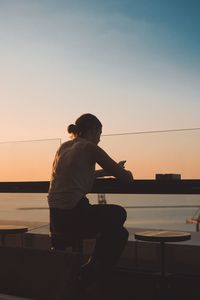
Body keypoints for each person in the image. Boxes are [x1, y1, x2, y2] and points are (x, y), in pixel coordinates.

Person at [48, 113, 134, 287]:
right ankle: (92, 269)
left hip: (56, 219)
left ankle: (92, 268)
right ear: (93, 130)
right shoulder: (90, 147)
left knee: (114, 229)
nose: (100, 139)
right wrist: (122, 170)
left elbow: (75, 174)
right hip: (75, 215)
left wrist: (104, 172)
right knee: (119, 217)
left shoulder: (64, 148)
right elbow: (126, 179)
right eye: (100, 134)